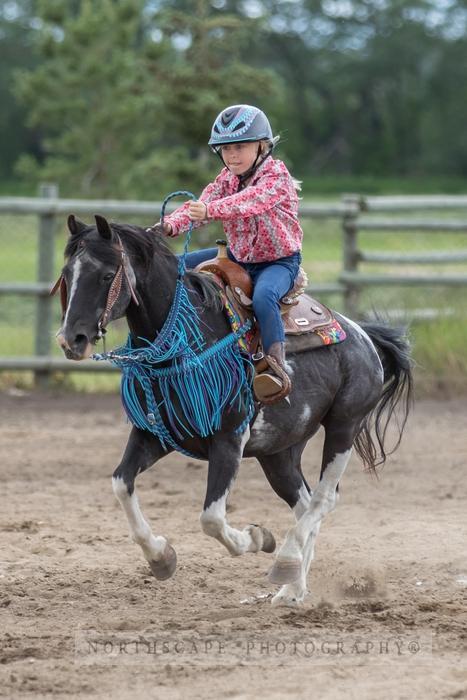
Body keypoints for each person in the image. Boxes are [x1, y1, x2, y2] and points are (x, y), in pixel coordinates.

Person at [148, 104, 303, 404]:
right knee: (175, 269)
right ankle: (175, 349)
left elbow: (248, 202)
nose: (232, 155)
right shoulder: (226, 179)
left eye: (240, 147)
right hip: (237, 257)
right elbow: (199, 208)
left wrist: (210, 210)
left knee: (264, 297)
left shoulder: (276, 177)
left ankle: (276, 366)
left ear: (262, 145)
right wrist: (168, 227)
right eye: (226, 148)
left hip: (279, 262)